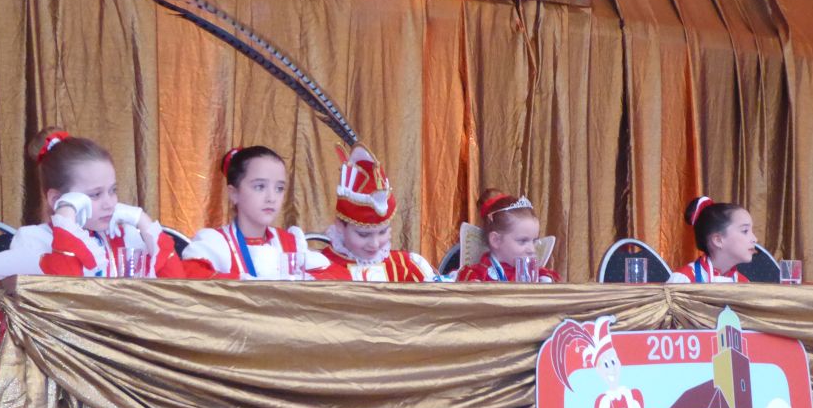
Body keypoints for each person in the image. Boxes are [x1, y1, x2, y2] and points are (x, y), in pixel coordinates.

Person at [0, 128, 183, 278]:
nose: (109, 203)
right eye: (95, 195)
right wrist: (66, 219)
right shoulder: (33, 240)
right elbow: (64, 295)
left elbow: (180, 294)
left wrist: (143, 221)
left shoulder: (129, 238)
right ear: (57, 199)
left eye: (113, 191)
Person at [181, 146, 328, 279]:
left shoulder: (290, 243)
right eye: (259, 186)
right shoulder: (216, 243)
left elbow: (333, 280)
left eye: (279, 188)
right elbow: (190, 277)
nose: (271, 198)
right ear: (234, 193)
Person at [318, 144, 435, 282]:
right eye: (363, 234)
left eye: (382, 232)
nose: (374, 244)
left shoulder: (407, 267)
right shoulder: (319, 268)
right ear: (339, 226)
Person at [551, 315, 656, 408]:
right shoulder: (606, 401)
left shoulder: (628, 394)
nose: (612, 368)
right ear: (599, 371)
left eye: (614, 362)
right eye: (606, 365)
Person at [455, 189, 560, 282]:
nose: (532, 250)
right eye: (523, 241)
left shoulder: (541, 276)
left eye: (534, 241)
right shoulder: (475, 277)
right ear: (496, 240)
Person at [667, 196, 756, 283]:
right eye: (745, 231)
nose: (755, 239)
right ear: (718, 240)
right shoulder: (684, 280)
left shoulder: (744, 283)